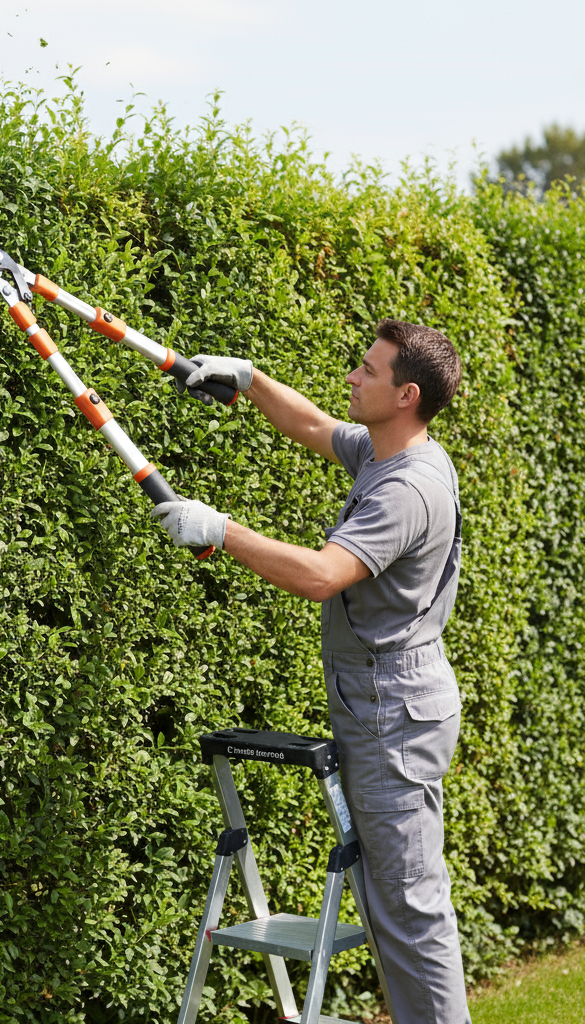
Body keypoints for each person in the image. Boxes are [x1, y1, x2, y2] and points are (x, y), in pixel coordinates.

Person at [152, 319, 469, 1024]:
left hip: (393, 713)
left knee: (411, 916)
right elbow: (318, 427)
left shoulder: (406, 488)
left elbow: (326, 575)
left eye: (368, 370)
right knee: (395, 910)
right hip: (386, 701)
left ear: (405, 394)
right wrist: (251, 379)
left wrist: (221, 530)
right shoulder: (391, 452)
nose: (353, 377)